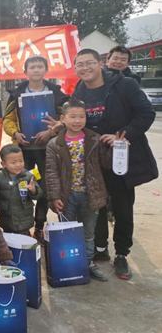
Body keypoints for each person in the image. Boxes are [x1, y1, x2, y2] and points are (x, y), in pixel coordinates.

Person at [45, 48, 157, 280]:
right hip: (92, 161)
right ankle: (100, 248)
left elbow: (146, 113)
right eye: (80, 64)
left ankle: (122, 254)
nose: (85, 68)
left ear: (101, 63)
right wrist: (63, 126)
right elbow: (79, 120)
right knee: (96, 206)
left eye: (89, 63)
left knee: (122, 208)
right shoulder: (80, 89)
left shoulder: (124, 85)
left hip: (121, 158)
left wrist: (122, 135)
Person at [46, 99, 128, 282]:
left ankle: (88, 263)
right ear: (62, 118)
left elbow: (105, 164)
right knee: (67, 232)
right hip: (66, 196)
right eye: (72, 116)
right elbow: (51, 173)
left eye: (81, 116)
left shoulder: (95, 139)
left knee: (89, 233)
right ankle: (69, 265)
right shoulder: (54, 144)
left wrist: (117, 148)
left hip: (90, 195)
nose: (77, 121)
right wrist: (54, 196)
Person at [3, 55, 69, 244]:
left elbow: (66, 119)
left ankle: (39, 226)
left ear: (46, 70)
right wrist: (16, 133)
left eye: (40, 66)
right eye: (32, 67)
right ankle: (22, 228)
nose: (36, 70)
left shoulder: (57, 93)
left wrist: (51, 132)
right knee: (19, 187)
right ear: (26, 71)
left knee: (44, 189)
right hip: (23, 152)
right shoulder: (17, 94)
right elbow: (7, 120)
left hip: (47, 151)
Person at [0, 144, 42, 235]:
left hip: (24, 218)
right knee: (8, 238)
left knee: (24, 238)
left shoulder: (28, 176)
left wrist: (34, 190)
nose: (18, 165)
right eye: (13, 163)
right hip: (6, 218)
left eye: (21, 161)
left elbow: (38, 194)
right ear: (3, 164)